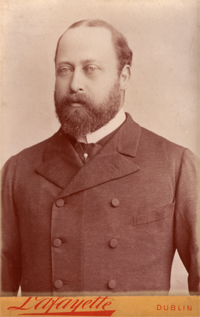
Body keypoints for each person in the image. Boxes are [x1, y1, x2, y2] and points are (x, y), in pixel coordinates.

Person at [1, 19, 199, 297]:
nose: (75, 84)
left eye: (90, 69)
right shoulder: (18, 170)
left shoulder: (174, 164)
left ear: (124, 76)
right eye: (64, 70)